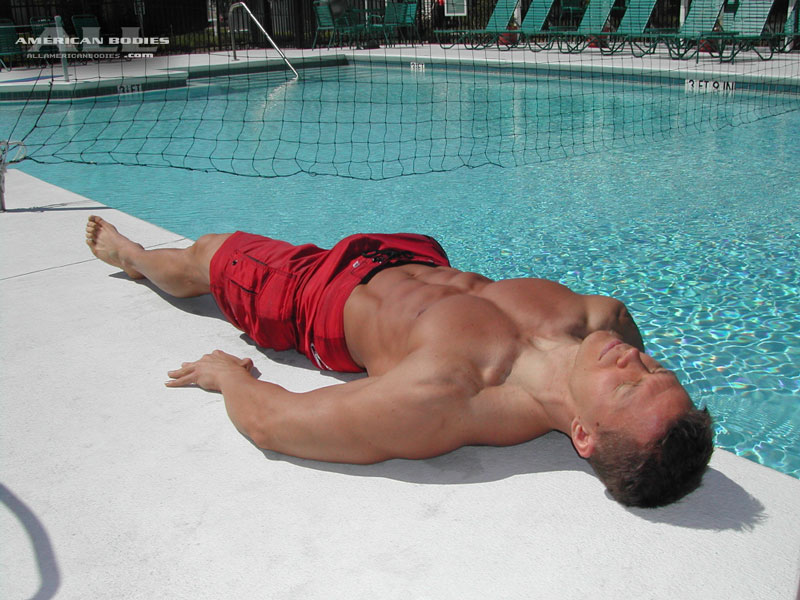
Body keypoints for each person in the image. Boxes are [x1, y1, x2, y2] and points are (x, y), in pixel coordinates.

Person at [85, 216, 713, 508]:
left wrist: (227, 377)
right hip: (411, 255)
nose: (634, 361)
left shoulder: (447, 397)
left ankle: (133, 258)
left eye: (627, 389)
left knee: (206, 253)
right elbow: (631, 344)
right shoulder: (604, 320)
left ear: (582, 435)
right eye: (657, 371)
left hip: (316, 297)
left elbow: (275, 426)